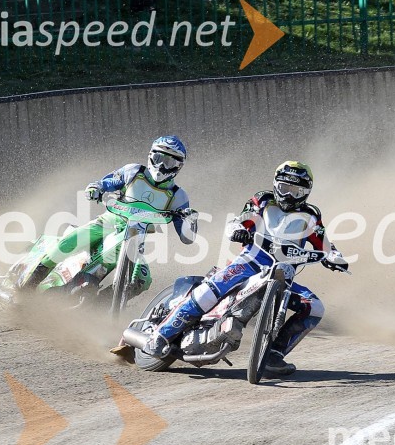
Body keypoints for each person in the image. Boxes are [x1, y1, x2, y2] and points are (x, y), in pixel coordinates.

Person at [143, 161, 349, 376]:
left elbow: (325, 244)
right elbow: (240, 220)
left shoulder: (312, 214)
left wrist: (335, 257)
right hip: (249, 263)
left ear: (306, 192)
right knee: (209, 291)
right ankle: (161, 335)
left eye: (295, 191)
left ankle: (273, 354)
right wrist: (238, 230)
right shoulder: (263, 200)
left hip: (283, 275)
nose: (288, 196)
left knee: (314, 307)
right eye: (284, 189)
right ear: (275, 185)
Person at [21, 135, 197, 293]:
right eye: (159, 158)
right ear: (151, 156)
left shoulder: (178, 196)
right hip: (107, 223)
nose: (161, 166)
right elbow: (105, 183)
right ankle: (25, 289)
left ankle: (101, 306)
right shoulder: (133, 172)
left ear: (178, 166)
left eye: (169, 162)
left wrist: (190, 220)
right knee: (68, 243)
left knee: (142, 281)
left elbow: (187, 238)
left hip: (135, 239)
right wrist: (95, 189)